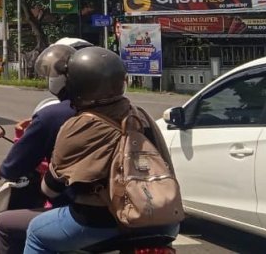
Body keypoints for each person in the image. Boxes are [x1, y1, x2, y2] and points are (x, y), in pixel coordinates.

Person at [23, 47, 180, 254]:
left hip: (102, 222)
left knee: (36, 233)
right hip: (163, 222)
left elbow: (50, 189)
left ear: (75, 85)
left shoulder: (78, 126)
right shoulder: (140, 116)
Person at [0, 39, 93, 254]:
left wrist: (1, 168)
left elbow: (14, 166)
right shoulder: (131, 113)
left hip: (86, 214)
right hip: (140, 213)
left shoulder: (52, 115)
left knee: (5, 225)